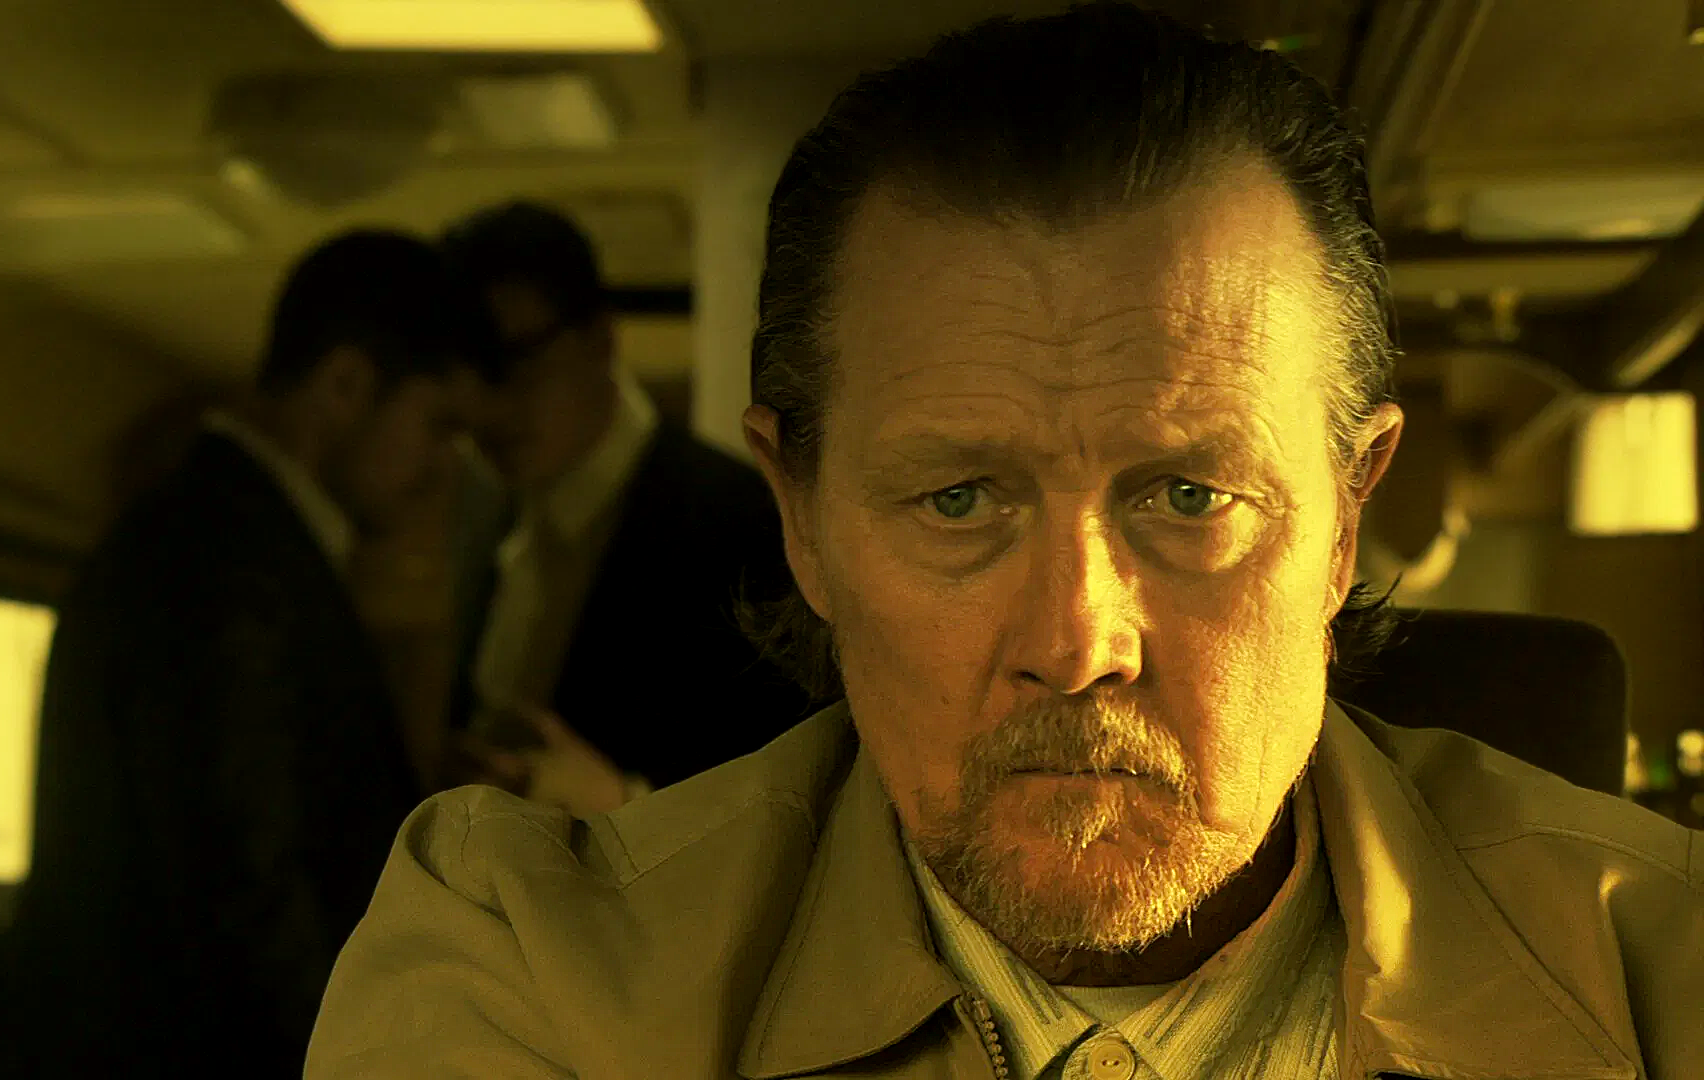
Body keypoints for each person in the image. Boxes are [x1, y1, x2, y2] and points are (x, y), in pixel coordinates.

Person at [307, 8, 1702, 1080]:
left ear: (1345, 517)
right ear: (801, 520)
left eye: (1190, 497)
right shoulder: (523, 970)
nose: (1074, 645)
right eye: (960, 500)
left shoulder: (1675, 976)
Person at [0, 230, 494, 1078]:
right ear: (345, 384)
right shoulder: (225, 561)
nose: (447, 469)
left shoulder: (216, 537)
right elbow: (244, 896)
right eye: (439, 426)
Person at [440, 202, 810, 804]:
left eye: (517, 359)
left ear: (600, 338)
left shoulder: (740, 525)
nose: (491, 405)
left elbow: (791, 795)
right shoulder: (480, 516)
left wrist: (620, 800)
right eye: (470, 373)